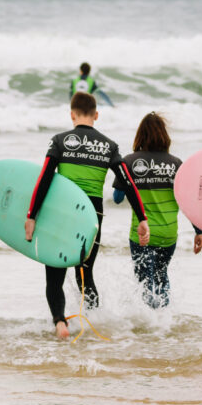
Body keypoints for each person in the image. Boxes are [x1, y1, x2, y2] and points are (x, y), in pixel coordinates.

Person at [25, 92, 149, 339]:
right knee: (85, 273)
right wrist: (142, 217)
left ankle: (60, 323)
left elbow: (44, 179)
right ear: (96, 115)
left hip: (60, 214)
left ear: (72, 114)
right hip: (92, 218)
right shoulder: (109, 146)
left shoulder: (60, 140)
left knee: (55, 273)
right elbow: (127, 182)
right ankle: (94, 320)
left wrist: (32, 214)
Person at [114, 113, 202, 309]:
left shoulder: (129, 161)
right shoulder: (176, 163)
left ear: (140, 136)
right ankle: (163, 322)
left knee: (145, 283)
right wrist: (199, 231)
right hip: (168, 235)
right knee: (161, 276)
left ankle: (153, 327)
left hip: (142, 234)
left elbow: (117, 199)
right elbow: (187, 202)